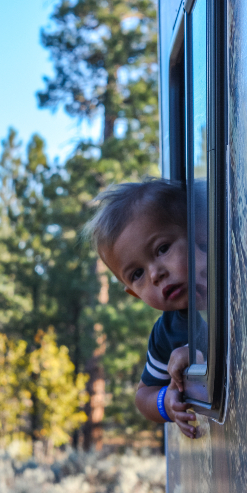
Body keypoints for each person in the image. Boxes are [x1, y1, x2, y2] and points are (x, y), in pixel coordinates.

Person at [84, 178, 205, 439]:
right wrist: (167, 401)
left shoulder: (237, 289)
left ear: (199, 234)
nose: (155, 274)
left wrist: (203, 355)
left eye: (162, 249)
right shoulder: (167, 334)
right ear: (133, 293)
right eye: (137, 274)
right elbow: (143, 396)